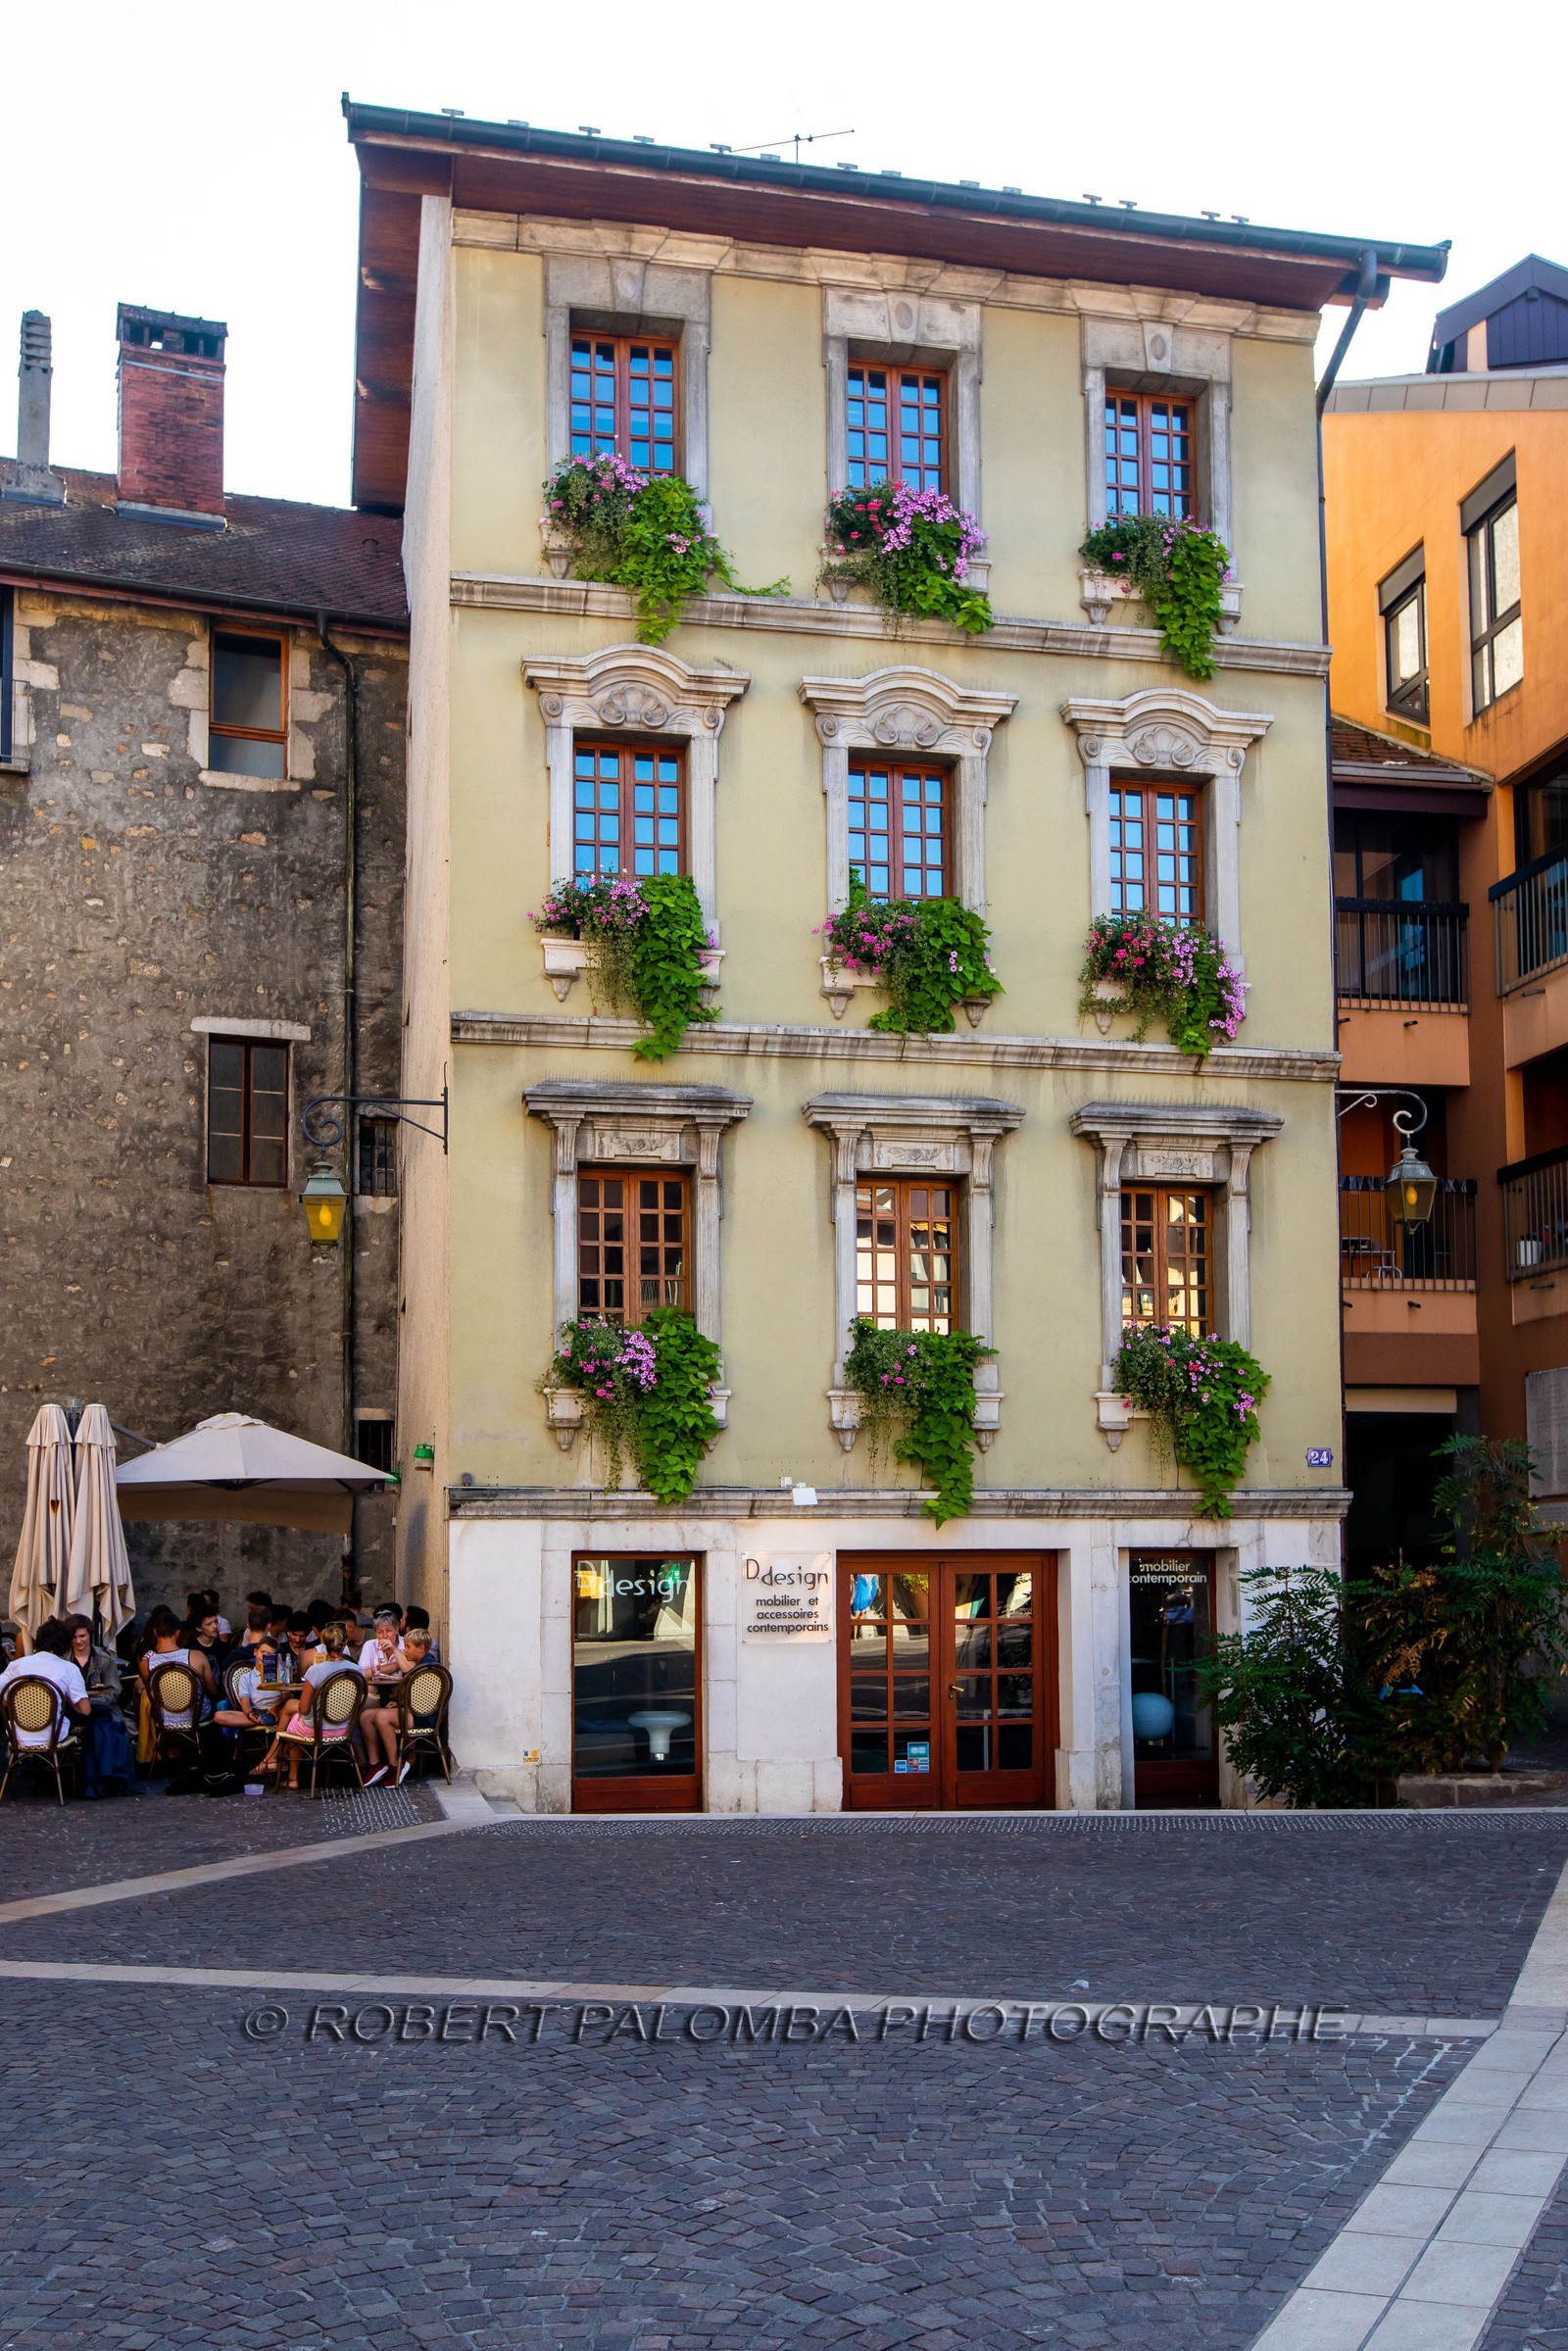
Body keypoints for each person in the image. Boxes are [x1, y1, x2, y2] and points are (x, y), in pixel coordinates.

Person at [257, 1624, 363, 1790]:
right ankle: (275, 1758)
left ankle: (290, 1775)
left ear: (322, 1644)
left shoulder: (316, 1670)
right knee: (291, 1708)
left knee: (293, 1720)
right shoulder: (357, 1670)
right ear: (345, 1642)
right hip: (344, 1728)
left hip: (318, 1730)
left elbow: (304, 1709)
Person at [59, 1613, 134, 1797]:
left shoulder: (104, 1659)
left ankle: (97, 1779)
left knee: (101, 1725)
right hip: (75, 1710)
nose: (78, 1641)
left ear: (89, 1635)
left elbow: (114, 1692)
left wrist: (88, 1702)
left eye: (82, 1636)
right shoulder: (63, 1659)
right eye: (74, 1637)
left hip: (101, 1708)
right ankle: (95, 1778)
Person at [0, 1618, 91, 1760]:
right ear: (66, 1644)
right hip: (53, 1737)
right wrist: (63, 1697)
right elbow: (85, 1710)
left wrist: (17, 1702)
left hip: (18, 1736)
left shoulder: (16, 1665)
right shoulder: (69, 1669)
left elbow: (3, 1699)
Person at [360, 1626, 439, 1785]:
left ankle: (395, 1765)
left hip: (423, 1718)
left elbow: (423, 1703)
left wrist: (401, 1705)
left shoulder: (426, 1667)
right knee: (366, 1716)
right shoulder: (420, 1664)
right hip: (414, 1712)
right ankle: (375, 1764)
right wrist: (398, 1703)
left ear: (421, 1648)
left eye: (408, 1647)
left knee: (382, 1717)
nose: (405, 1650)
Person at [139, 1604, 217, 1729]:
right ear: (177, 1632)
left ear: (155, 1632)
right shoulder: (197, 1657)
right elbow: (213, 1690)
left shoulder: (146, 1663)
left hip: (164, 1720)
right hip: (197, 1718)